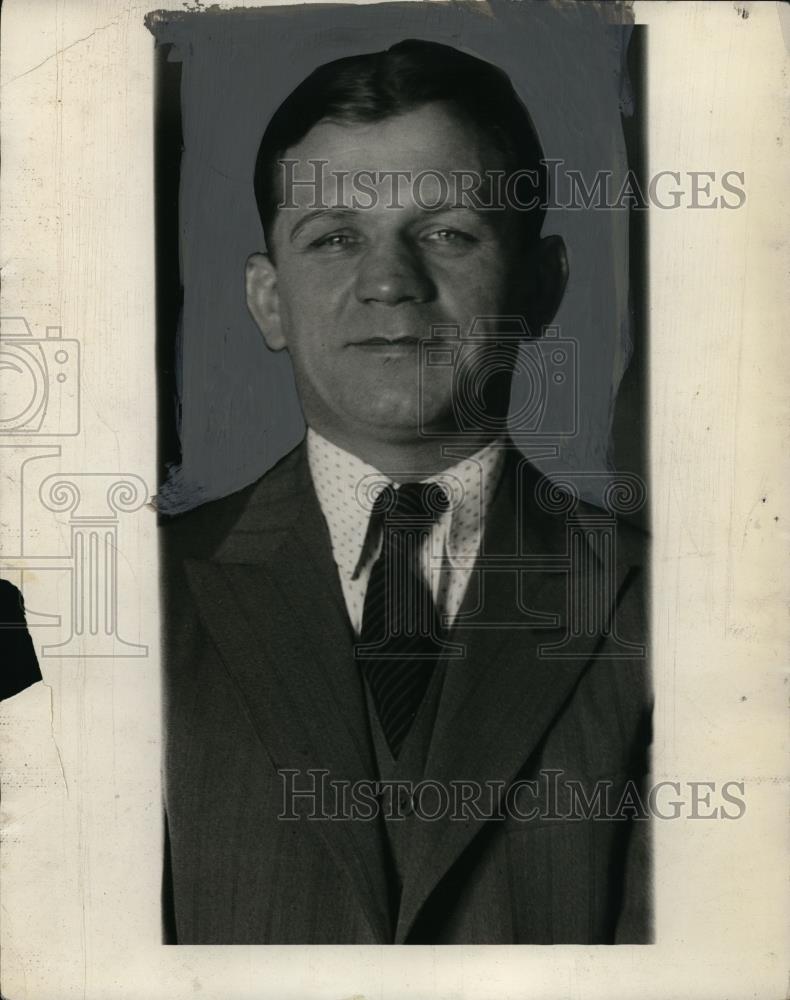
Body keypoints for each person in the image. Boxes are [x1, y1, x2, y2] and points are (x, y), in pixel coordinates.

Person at [161, 39, 651, 945]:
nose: (389, 282)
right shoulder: (134, 602)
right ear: (268, 300)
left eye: (447, 233)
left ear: (542, 283)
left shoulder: (673, 610)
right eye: (334, 238)